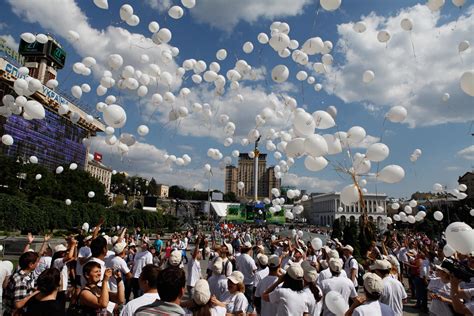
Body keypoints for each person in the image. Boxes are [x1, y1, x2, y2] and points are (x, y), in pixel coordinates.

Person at [235, 241, 257, 310]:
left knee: (241, 302)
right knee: (249, 302)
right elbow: (255, 271)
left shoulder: (238, 257)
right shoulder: (250, 260)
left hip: (240, 282)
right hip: (249, 283)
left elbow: (236, 267)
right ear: (250, 249)